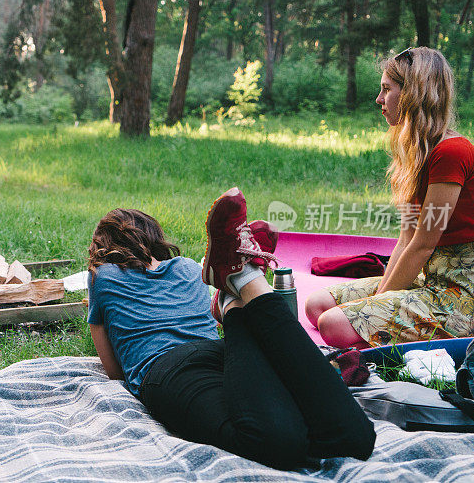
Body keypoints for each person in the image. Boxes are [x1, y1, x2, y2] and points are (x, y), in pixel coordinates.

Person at [87, 189, 375, 469]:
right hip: (226, 354)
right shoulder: (188, 267)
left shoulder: (103, 275)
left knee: (277, 443)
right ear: (154, 236)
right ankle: (240, 287)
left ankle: (234, 301)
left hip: (170, 369)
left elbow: (114, 370)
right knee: (355, 439)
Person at [305, 47, 474, 349]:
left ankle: (465, 336)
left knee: (332, 324)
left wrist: (373, 307)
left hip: (469, 294)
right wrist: (376, 304)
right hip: (431, 277)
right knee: (316, 305)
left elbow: (423, 244)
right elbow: (406, 240)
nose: (379, 99)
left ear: (413, 94)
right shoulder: (415, 155)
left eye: (386, 90)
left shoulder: (451, 152)